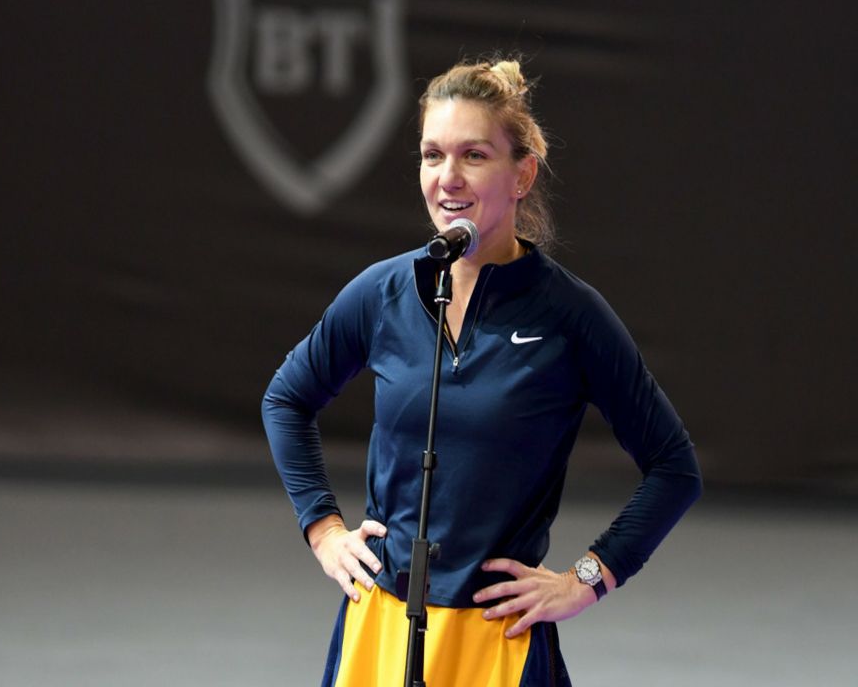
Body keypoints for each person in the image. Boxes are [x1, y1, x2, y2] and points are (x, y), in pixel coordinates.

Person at [261, 57, 703, 687]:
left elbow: (674, 466)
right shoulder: (383, 292)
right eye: (432, 155)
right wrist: (325, 530)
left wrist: (587, 578)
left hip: (499, 644)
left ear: (522, 174)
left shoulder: (569, 315)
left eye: (474, 155)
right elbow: (286, 398)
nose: (448, 178)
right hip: (378, 630)